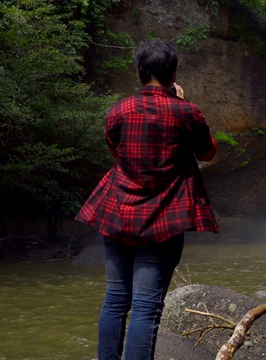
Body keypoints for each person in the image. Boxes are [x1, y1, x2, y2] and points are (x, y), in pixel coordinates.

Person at [75, 40, 218, 359]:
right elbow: (207, 151)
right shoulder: (186, 112)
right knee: (145, 308)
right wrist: (180, 102)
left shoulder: (118, 110)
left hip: (117, 216)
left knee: (114, 301)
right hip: (162, 221)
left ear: (139, 72)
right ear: (173, 74)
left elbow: (117, 151)